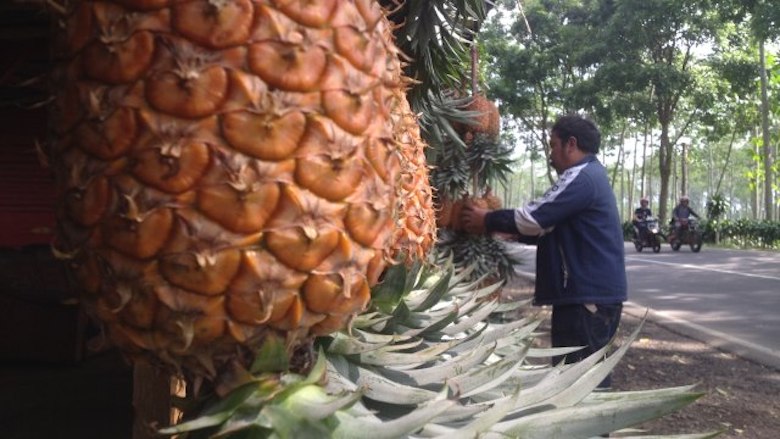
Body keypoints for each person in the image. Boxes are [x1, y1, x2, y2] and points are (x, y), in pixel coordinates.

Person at [461, 114, 627, 389]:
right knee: (579, 376)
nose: (550, 154)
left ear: (570, 144)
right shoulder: (590, 175)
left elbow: (535, 218)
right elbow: (551, 230)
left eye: (553, 145)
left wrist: (486, 219)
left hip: (587, 299)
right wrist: (506, 231)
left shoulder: (582, 177)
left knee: (580, 382)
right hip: (587, 297)